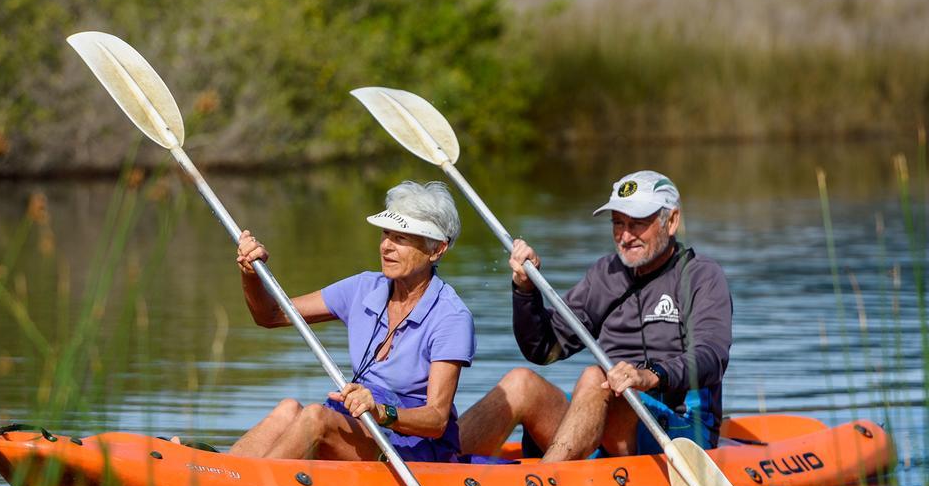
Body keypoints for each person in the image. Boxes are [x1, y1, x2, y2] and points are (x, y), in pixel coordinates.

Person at [460, 170, 732, 461]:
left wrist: (649, 376)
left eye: (637, 224)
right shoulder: (606, 274)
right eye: (618, 224)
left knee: (594, 376)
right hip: (607, 417)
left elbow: (711, 357)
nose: (625, 237)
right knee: (520, 382)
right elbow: (543, 348)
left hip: (681, 427)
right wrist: (525, 290)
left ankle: (546, 482)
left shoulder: (702, 276)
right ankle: (434, 465)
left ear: (672, 221)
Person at [228, 181, 475, 462]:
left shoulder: (451, 317)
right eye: (385, 234)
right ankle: (219, 477)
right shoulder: (363, 288)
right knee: (287, 409)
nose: (386, 247)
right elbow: (271, 315)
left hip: (414, 448)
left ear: (437, 250)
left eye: (402, 238)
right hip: (363, 428)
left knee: (315, 418)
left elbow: (437, 419)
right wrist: (250, 274)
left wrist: (382, 412)